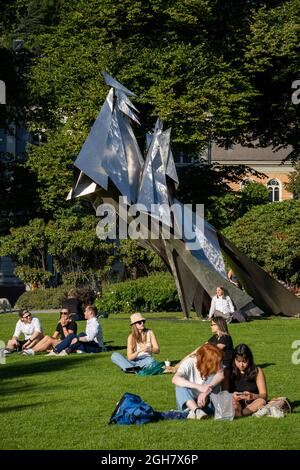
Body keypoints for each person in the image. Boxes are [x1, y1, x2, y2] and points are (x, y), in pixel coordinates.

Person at [165, 315, 233, 374]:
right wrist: (192, 354)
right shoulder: (215, 337)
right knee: (192, 357)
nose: (210, 326)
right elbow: (202, 347)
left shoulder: (226, 338)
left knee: (197, 359)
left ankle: (179, 370)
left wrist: (199, 355)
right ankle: (176, 368)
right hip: (214, 362)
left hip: (224, 365)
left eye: (212, 324)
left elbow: (215, 351)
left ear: (218, 325)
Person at [172, 343, 224, 419]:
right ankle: (196, 411)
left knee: (214, 379)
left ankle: (194, 413)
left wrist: (206, 392)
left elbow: (221, 374)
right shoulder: (189, 363)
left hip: (207, 403)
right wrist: (199, 387)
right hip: (189, 403)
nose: (218, 365)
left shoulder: (216, 363)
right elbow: (175, 379)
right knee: (179, 385)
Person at [230, 343, 267, 417]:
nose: (241, 365)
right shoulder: (229, 371)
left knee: (261, 401)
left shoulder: (257, 371)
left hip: (252, 403)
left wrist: (252, 396)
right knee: (231, 403)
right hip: (236, 402)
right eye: (238, 361)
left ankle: (241, 413)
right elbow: (223, 393)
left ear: (249, 359)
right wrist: (232, 396)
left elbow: (264, 395)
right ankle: (242, 412)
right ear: (234, 360)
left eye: (244, 361)